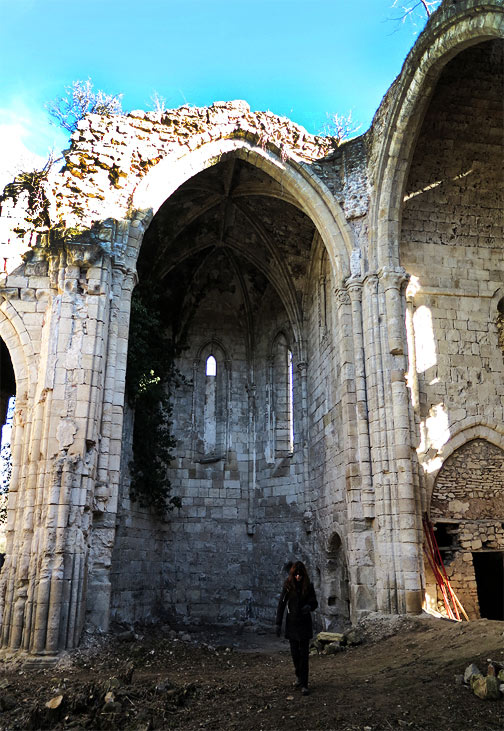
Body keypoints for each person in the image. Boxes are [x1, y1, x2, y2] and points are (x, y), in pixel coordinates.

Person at [275, 560, 318, 695]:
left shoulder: (308, 586)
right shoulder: (288, 586)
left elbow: (314, 602)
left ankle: (304, 684)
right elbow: (281, 604)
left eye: (300, 575)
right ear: (292, 575)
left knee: (304, 655)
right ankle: (299, 676)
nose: (298, 577)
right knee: (295, 654)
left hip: (304, 623)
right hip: (292, 623)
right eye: (296, 575)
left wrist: (309, 607)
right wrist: (278, 623)